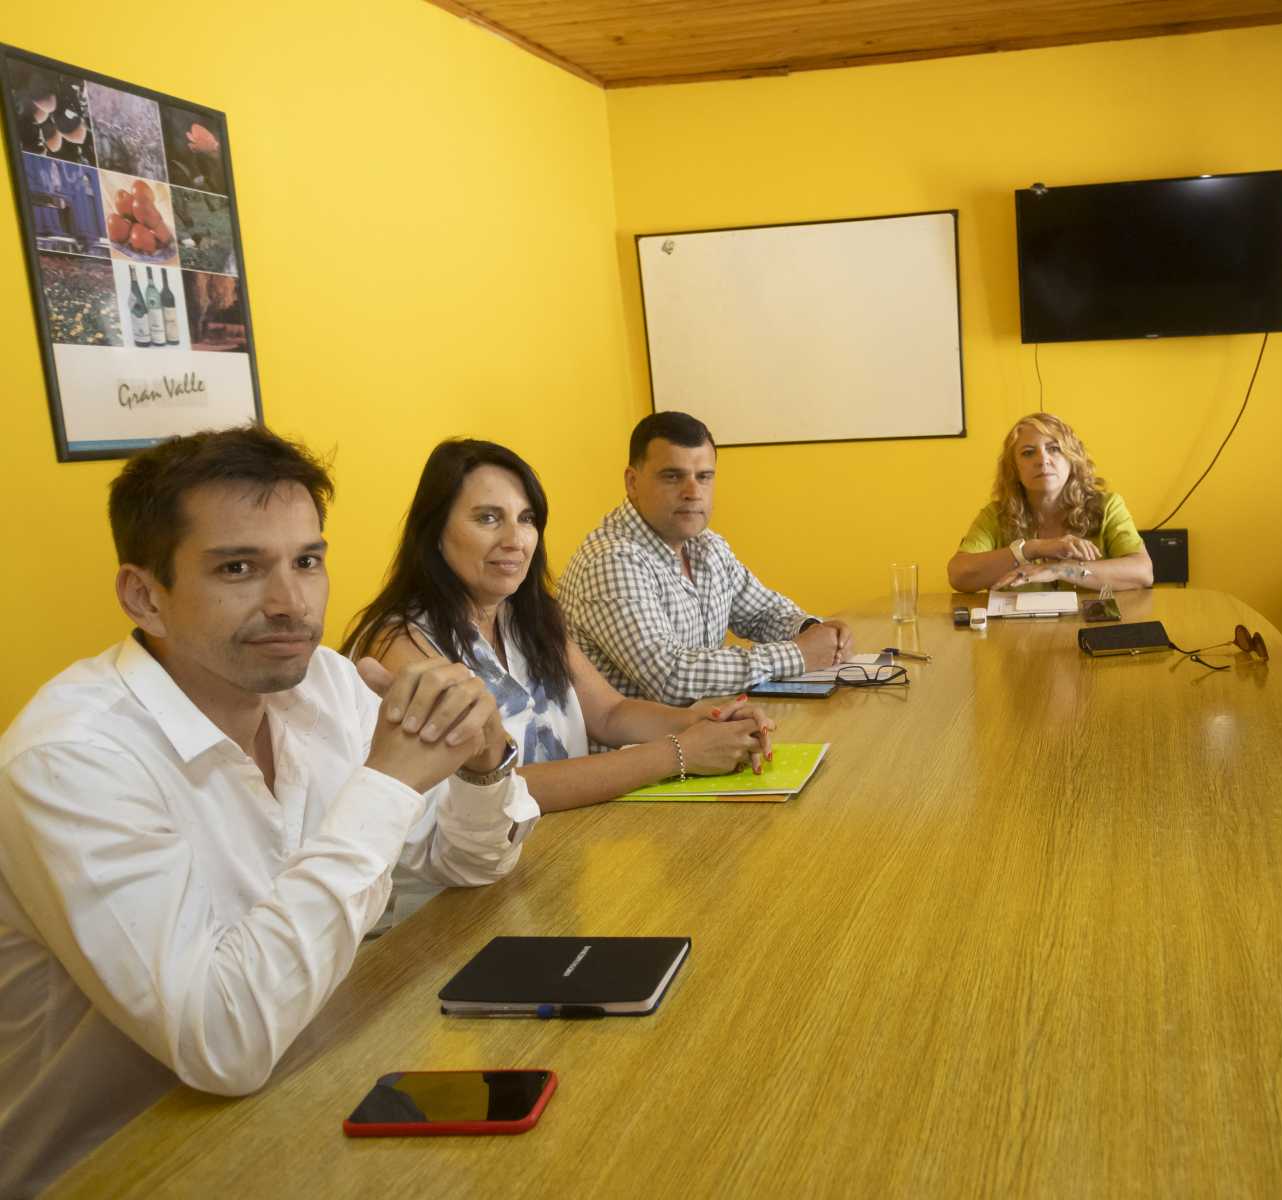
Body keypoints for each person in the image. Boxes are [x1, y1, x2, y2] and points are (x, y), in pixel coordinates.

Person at [0, 426, 538, 1196]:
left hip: (313, 1094)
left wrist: (482, 765)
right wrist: (387, 784)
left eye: (307, 562)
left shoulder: (319, 682)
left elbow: (470, 862)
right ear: (143, 595)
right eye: (239, 568)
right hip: (121, 1166)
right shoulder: (71, 760)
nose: (290, 603)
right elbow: (224, 1042)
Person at [343, 438, 776, 822]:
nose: (516, 539)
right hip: (460, 892)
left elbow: (609, 714)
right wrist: (680, 753)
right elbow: (501, 788)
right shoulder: (398, 643)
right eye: (489, 518)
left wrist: (703, 720)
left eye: (526, 518)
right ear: (435, 532)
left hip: (562, 853)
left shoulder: (527, 615)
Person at [562, 412, 854, 705]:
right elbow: (671, 678)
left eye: (704, 477)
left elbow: (763, 613)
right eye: (673, 476)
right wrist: (800, 654)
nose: (693, 492)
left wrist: (815, 632)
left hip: (702, 733)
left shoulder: (707, 545)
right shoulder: (611, 560)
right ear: (632, 482)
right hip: (639, 747)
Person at [947, 412, 1154, 592]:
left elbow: (1143, 572)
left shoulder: (1108, 505)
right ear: (1014, 469)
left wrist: (1057, 570)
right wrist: (1031, 549)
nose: (1042, 460)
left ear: (1072, 459)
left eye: (1054, 448)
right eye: (1028, 453)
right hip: (1018, 634)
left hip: (1092, 630)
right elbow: (959, 575)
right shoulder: (996, 514)